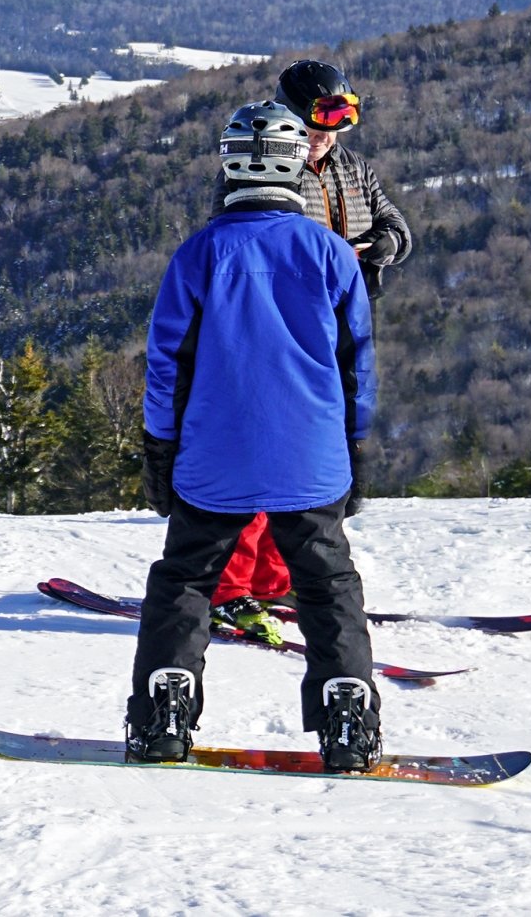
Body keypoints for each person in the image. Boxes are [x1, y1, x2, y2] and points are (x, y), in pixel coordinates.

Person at [130, 99, 381, 773]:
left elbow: (167, 365)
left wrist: (159, 449)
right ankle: (348, 716)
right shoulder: (330, 253)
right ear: (297, 165)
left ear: (228, 165)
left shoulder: (200, 253)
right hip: (313, 458)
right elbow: (358, 361)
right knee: (328, 584)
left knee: (184, 580)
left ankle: (163, 714)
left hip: (214, 457)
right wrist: (356, 448)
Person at [209, 59, 412, 646]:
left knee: (304, 462)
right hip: (278, 328)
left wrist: (381, 248)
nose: (328, 133)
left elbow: (396, 224)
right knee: (261, 457)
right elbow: (237, 236)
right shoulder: (264, 166)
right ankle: (231, 587)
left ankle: (274, 581)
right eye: (317, 120)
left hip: (339, 327)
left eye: (339, 118)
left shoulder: (353, 168)